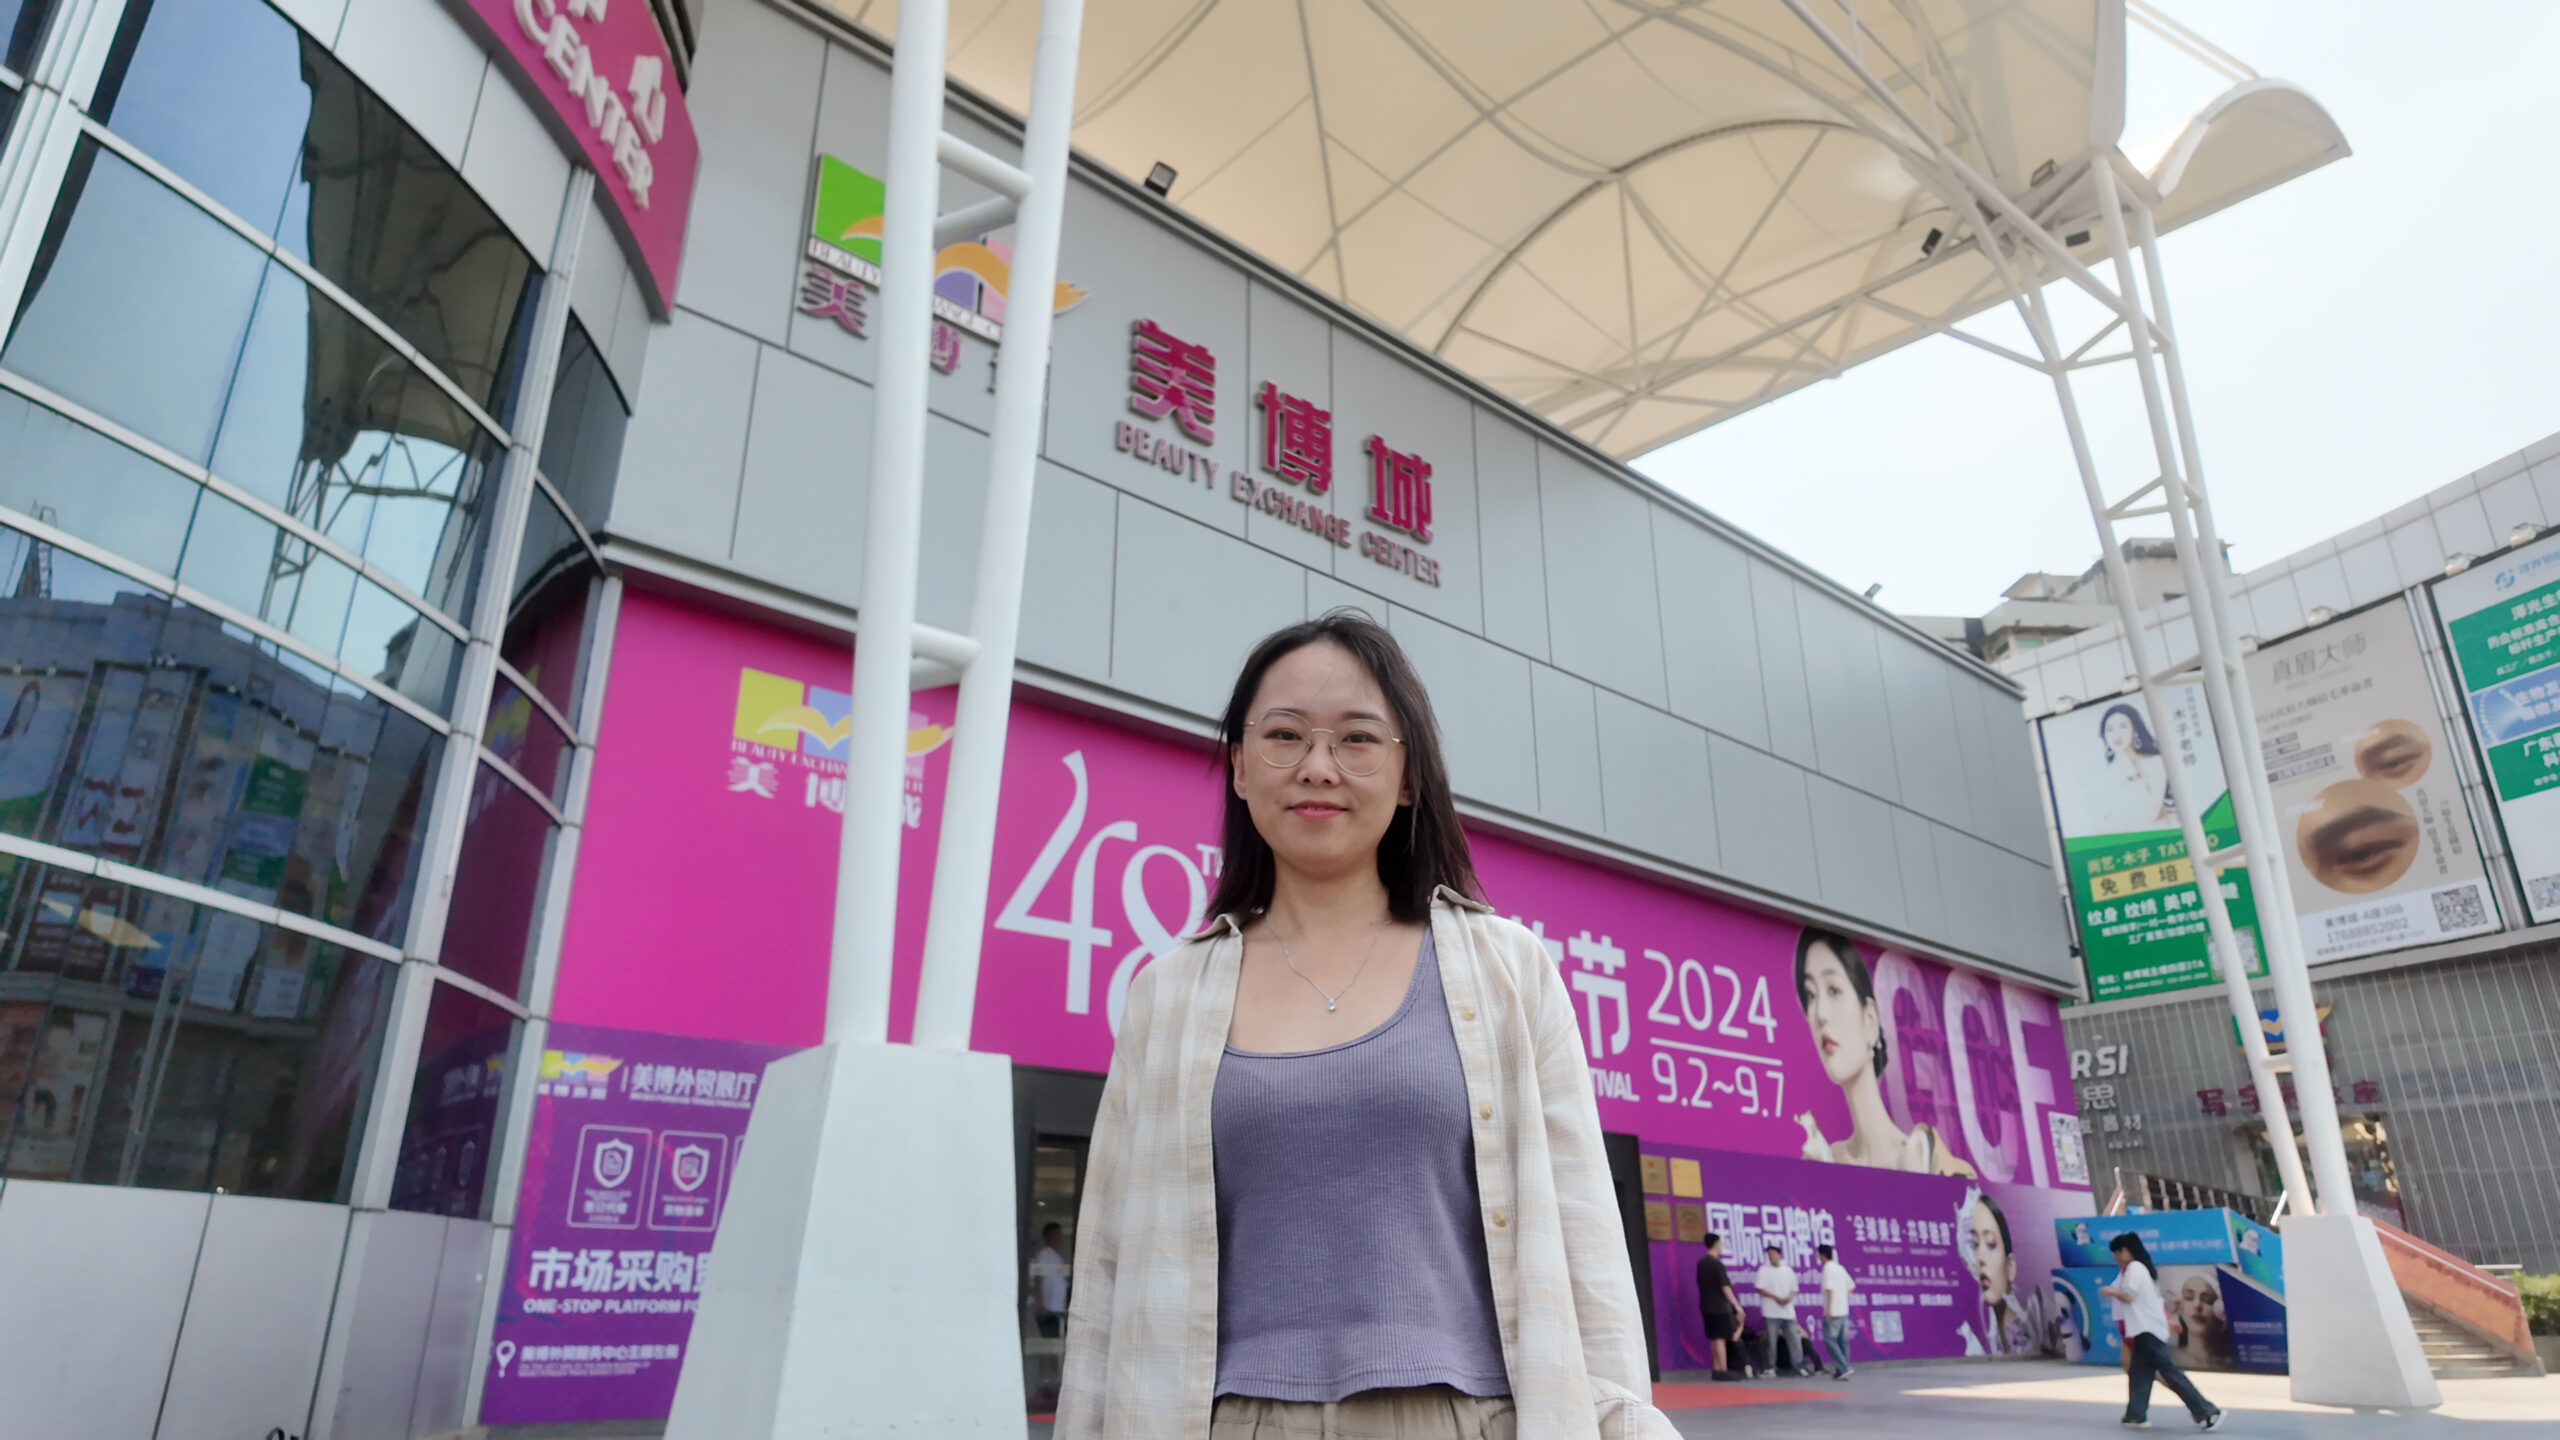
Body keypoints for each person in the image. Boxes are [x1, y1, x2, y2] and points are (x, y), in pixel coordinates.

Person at [1057, 611, 1675, 1440]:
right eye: (1284, 736)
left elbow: (1586, 1246)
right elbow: (1105, 1269)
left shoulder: (1507, 971)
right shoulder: (1167, 996)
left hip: (1460, 1419)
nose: (1318, 767)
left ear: (1409, 775)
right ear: (1239, 768)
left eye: (1356, 739)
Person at [1791, 929, 1977, 1175]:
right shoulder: (1822, 1164)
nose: (1820, 1014)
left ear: (1869, 1019)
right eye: (1810, 995)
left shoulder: (1930, 1161)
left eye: (1833, 990)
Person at [2100, 1233, 2222, 1431]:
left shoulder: (2134, 1268)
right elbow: (2151, 1303)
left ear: (2124, 1251)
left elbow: (2129, 1296)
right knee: (2139, 1372)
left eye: (2116, 1253)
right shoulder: (2142, 1270)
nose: (2115, 1258)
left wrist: (2110, 1292)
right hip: (2142, 1330)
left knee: (2170, 1372)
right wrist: (2168, 1323)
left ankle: (2207, 1411)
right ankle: (2135, 1414)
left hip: (2147, 1331)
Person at [1960, 1189, 2038, 1356]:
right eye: (1974, 1245)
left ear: (2010, 1266)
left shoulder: (2027, 1332)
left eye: (1990, 1244)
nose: (1979, 1258)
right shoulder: (1970, 1336)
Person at [2092, 704, 2174, 831]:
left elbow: (2151, 812)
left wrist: (2132, 772)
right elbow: (2100, 823)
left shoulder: (2155, 763)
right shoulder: (2103, 776)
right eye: (2110, 729)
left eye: (2123, 726)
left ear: (2134, 729)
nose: (2116, 734)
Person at [1753, 1244, 1810, 1378]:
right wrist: (1776, 1298)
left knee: (1795, 1340)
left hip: (1788, 1313)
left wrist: (1787, 1298)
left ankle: (1799, 1367)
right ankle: (1770, 1368)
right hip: (1771, 1313)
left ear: (1780, 1255)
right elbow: (1760, 1288)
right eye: (1769, 1255)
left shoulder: (1788, 1271)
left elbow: (1794, 1289)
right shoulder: (1763, 1270)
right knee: (1771, 1342)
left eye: (1773, 1254)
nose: (1771, 1257)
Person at [1696, 1233, 1745, 1382]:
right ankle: (1722, 1370)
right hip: (1719, 1307)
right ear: (1716, 1244)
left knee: (1714, 1337)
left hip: (1706, 1305)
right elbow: (1725, 1287)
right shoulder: (1716, 1264)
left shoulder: (1702, 1263)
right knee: (1720, 1338)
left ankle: (1716, 1369)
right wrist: (1737, 1306)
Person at [1816, 1243, 1855, 1379]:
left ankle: (1844, 1367)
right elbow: (1851, 1286)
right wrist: (1841, 1298)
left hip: (1833, 1311)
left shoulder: (1828, 1268)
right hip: (1843, 1310)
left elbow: (1829, 1289)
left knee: (1829, 1340)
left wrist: (1829, 1308)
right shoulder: (1840, 1268)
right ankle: (1842, 1369)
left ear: (1822, 1256)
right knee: (1842, 1341)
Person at [1028, 1223, 1071, 1337]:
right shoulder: (1044, 1255)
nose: (1060, 1237)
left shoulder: (1057, 1257)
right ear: (1048, 1236)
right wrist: (1042, 1306)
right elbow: (1038, 1280)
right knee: (1050, 1342)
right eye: (1057, 1234)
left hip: (1057, 1310)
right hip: (1048, 1310)